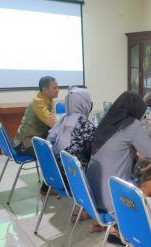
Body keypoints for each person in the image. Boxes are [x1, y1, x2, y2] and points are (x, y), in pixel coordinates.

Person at [87, 91, 151, 212]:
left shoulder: (107, 122)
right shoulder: (132, 125)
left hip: (92, 196)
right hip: (113, 199)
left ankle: (103, 224)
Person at [47, 87, 100, 231]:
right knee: (102, 167)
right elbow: (95, 152)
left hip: (56, 175)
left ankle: (81, 206)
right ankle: (91, 209)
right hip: (71, 177)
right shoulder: (84, 125)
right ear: (85, 104)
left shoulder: (62, 120)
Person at [47, 87, 95, 169]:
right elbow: (93, 154)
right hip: (73, 173)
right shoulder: (86, 126)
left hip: (55, 171)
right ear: (85, 104)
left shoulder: (61, 121)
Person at [13, 76, 59, 157]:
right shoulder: (38, 102)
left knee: (61, 144)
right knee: (56, 151)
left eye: (57, 87)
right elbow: (54, 125)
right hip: (26, 144)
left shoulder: (49, 100)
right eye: (54, 88)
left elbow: (54, 123)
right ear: (45, 90)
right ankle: (53, 169)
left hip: (37, 137)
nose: (58, 90)